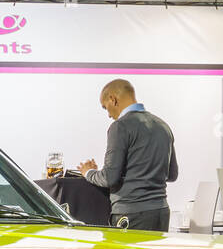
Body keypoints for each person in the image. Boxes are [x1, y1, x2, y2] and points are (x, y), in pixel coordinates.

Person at [77, 79, 179, 231]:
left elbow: (110, 177)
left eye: (106, 108)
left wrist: (88, 172)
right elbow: (172, 175)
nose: (109, 115)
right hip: (161, 213)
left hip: (131, 214)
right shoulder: (163, 126)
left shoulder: (120, 127)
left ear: (113, 99)